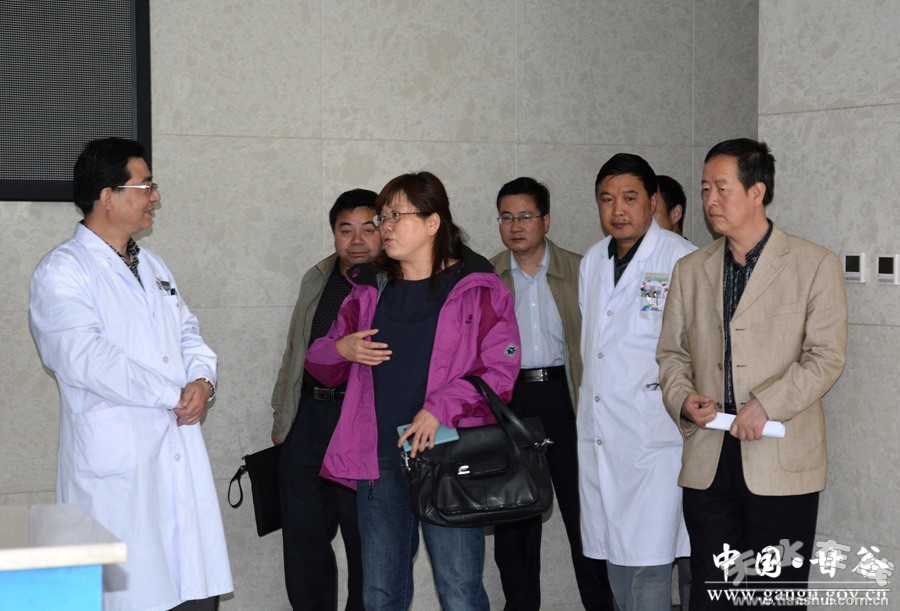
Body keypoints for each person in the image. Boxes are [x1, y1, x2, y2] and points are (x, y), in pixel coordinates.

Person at [29, 137, 232, 610]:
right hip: (115, 467)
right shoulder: (63, 271)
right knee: (130, 593)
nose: (155, 196)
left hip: (172, 445)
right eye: (146, 186)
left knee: (188, 588)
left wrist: (202, 381)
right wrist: (171, 393)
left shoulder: (153, 266)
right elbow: (84, 357)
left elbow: (188, 333)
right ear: (108, 195)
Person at [305, 171, 521, 610]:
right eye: (382, 217)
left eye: (394, 216)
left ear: (432, 223)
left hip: (448, 450)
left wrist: (440, 408)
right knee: (380, 591)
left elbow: (499, 370)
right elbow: (319, 361)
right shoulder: (368, 288)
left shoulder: (478, 287)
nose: (383, 227)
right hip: (379, 454)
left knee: (459, 589)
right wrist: (342, 349)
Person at [656, 138, 848, 610]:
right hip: (709, 457)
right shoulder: (690, 269)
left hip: (779, 455)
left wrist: (767, 404)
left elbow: (825, 356)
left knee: (774, 596)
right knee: (712, 594)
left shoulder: (813, 264)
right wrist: (683, 398)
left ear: (757, 192)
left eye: (722, 188)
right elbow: (672, 355)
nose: (710, 200)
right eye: (705, 189)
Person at [489, 177, 615, 611]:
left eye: (525, 216)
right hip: (510, 404)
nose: (515, 226)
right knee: (515, 519)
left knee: (585, 515)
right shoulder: (486, 276)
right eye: (506, 217)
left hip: (567, 398)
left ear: (546, 221)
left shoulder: (583, 269)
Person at [578, 153, 695, 611]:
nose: (618, 210)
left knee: (649, 565)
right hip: (602, 432)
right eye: (606, 199)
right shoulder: (593, 260)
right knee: (615, 559)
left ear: (652, 201)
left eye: (629, 198)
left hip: (654, 438)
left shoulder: (681, 258)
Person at [271, 189, 381, 610]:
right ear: (334, 233)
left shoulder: (393, 284)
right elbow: (295, 351)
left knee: (364, 540)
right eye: (346, 230)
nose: (357, 241)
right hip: (309, 416)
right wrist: (283, 418)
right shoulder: (317, 277)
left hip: (360, 423)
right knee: (303, 538)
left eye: (368, 229)